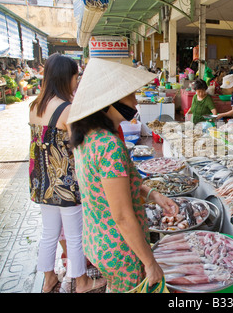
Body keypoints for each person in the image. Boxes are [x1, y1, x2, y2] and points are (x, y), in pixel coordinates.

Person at [67, 58, 178, 293]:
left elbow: (113, 187)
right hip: (121, 249)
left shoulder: (86, 136)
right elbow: (123, 216)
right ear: (110, 102)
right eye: (130, 96)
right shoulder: (109, 146)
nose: (136, 101)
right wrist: (150, 263)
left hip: (98, 239)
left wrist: (154, 195)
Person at [29, 53, 106, 293]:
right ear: (66, 77)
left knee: (49, 233)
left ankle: (49, 278)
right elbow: (80, 146)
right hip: (65, 183)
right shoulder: (66, 109)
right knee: (75, 234)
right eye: (76, 76)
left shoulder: (35, 105)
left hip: (41, 181)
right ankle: (81, 282)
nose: (77, 81)